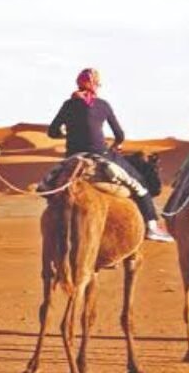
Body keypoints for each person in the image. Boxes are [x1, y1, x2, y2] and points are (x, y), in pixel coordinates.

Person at [47, 68, 173, 242]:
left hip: (73, 155)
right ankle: (151, 226)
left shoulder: (68, 104)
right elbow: (119, 134)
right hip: (100, 154)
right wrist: (116, 145)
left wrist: (67, 134)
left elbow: (52, 132)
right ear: (95, 85)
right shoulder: (103, 105)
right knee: (139, 185)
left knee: (48, 186)